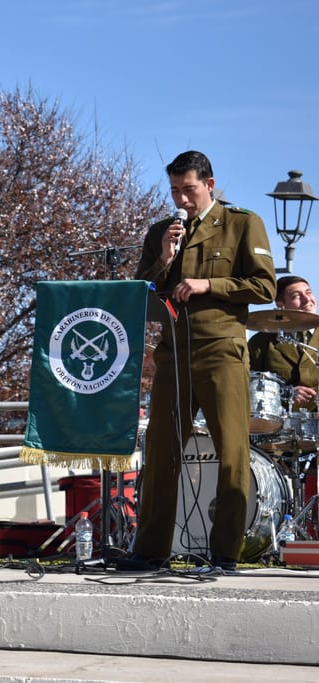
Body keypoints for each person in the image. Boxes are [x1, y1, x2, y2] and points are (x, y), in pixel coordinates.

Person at [126, 150, 276, 572]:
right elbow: (141, 291)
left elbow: (264, 286)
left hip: (221, 351)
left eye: (189, 190)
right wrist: (165, 259)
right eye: (174, 190)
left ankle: (225, 553)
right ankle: (150, 549)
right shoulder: (161, 231)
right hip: (172, 353)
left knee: (231, 453)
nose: (182, 199)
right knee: (158, 452)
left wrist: (208, 283)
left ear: (210, 184)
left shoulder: (242, 223)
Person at [248, 275, 318, 411]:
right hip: (279, 425)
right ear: (280, 304)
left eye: (308, 293)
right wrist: (285, 393)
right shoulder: (261, 342)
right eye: (296, 296)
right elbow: (249, 384)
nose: (307, 299)